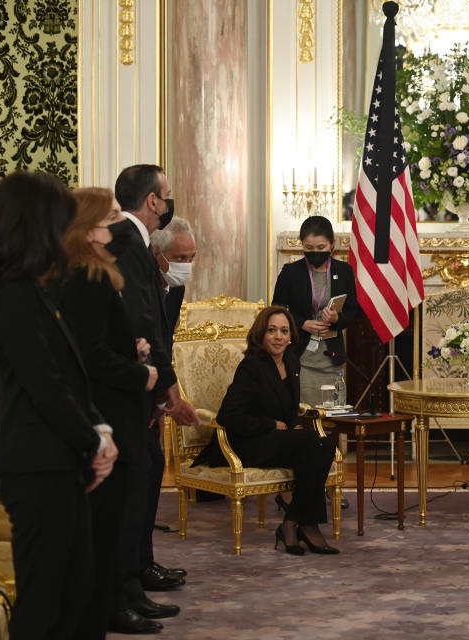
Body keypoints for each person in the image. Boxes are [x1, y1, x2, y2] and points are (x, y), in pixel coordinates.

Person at [0, 172, 118, 639]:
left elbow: (69, 375)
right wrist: (92, 438)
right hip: (35, 463)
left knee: (76, 589)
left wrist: (98, 431)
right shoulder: (10, 294)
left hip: (54, 457)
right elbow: (44, 385)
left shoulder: (31, 288)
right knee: (46, 600)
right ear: (36, 223)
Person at [58, 187, 171, 636]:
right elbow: (91, 353)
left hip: (118, 401)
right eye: (107, 220)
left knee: (128, 505)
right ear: (86, 228)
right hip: (111, 403)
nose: (114, 227)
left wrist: (134, 348)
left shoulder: (98, 269)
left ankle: (125, 593)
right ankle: (113, 603)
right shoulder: (84, 276)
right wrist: (140, 373)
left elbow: (106, 337)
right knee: (114, 514)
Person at [111, 164, 195, 630]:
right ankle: (123, 590)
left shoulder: (135, 244)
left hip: (142, 387)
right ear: (151, 202)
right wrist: (166, 390)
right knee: (132, 488)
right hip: (129, 389)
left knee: (146, 478)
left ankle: (137, 573)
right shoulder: (128, 243)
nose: (169, 201)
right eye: (167, 194)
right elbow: (141, 324)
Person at [194, 306, 339, 555]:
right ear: (261, 334)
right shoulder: (251, 367)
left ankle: (294, 522)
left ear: (291, 336)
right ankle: (305, 525)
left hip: (276, 441)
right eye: (272, 330)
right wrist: (271, 424)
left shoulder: (292, 361)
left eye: (284, 331)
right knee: (313, 443)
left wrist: (292, 423)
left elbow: (291, 406)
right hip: (246, 443)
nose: (278, 336)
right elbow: (228, 416)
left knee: (322, 444)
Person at [272, 215, 358, 405]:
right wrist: (302, 323)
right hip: (300, 357)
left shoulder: (344, 271)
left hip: (331, 358)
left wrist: (336, 318)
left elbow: (352, 312)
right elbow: (276, 309)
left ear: (332, 244)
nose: (315, 252)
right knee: (302, 414)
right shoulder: (290, 272)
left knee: (331, 415)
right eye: (309, 248)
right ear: (302, 245)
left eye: (321, 248)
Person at [149, 216, 197, 335]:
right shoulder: (141, 287)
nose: (187, 265)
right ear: (156, 254)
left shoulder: (177, 288)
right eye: (180, 258)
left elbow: (168, 338)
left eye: (191, 258)